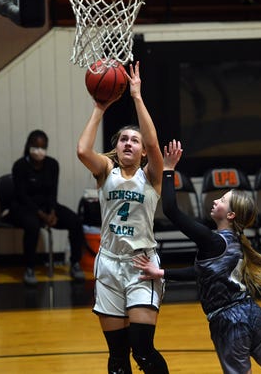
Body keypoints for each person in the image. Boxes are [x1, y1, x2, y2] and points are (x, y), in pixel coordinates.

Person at [134, 140, 261, 374]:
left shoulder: (212, 240)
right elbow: (202, 272)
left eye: (222, 200)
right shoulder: (236, 242)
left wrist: (168, 170)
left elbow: (171, 210)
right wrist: (162, 273)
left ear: (231, 214)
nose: (215, 200)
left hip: (229, 320)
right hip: (252, 311)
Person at [77, 61, 169, 374]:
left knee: (142, 351)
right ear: (116, 148)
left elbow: (155, 142)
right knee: (117, 357)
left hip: (141, 265)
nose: (128, 142)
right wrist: (99, 108)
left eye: (134, 140)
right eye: (123, 139)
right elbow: (81, 150)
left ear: (143, 151)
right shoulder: (105, 172)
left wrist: (137, 96)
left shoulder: (152, 176)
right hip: (109, 265)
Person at [11, 129, 86, 285]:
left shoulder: (52, 165)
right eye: (36, 146)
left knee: (75, 221)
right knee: (32, 225)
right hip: (24, 208)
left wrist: (51, 212)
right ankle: (30, 268)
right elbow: (22, 196)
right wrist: (42, 215)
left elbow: (53, 192)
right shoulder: (20, 166)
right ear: (29, 146)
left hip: (47, 207)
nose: (39, 150)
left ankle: (75, 264)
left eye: (43, 147)